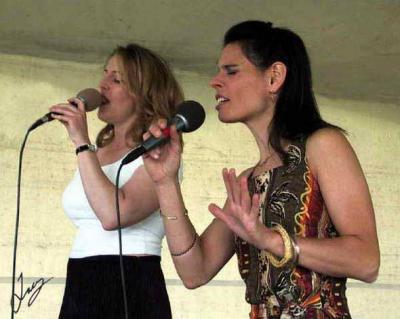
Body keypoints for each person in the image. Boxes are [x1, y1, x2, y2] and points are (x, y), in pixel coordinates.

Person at [142, 21, 380, 319]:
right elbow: (195, 271)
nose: (215, 82)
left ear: (274, 77)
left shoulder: (324, 145)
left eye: (231, 71)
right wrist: (165, 183)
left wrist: (269, 239)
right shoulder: (248, 181)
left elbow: (366, 261)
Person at [50, 43, 183, 318]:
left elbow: (113, 215)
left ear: (144, 94)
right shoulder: (94, 154)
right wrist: (86, 148)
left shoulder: (158, 154)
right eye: (104, 73)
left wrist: (81, 141)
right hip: (80, 278)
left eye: (117, 79)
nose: (103, 85)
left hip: (129, 281)